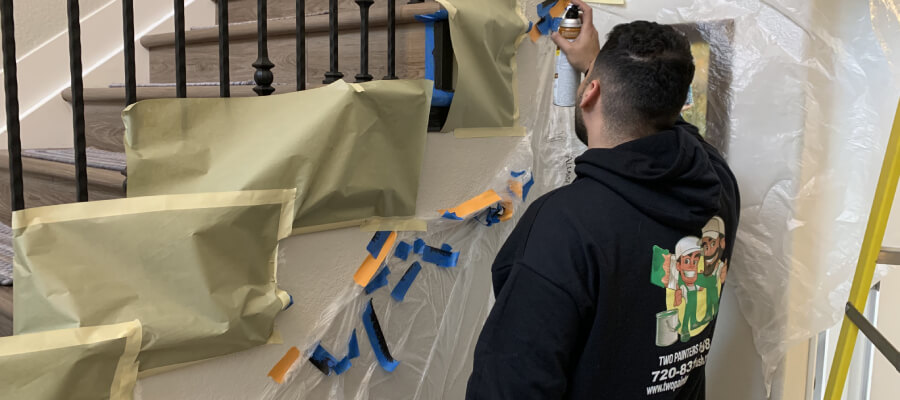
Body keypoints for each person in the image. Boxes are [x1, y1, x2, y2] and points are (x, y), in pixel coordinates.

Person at [465, 0, 741, 398]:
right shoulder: (716, 184)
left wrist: (596, 64)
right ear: (674, 103)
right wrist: (597, 64)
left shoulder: (562, 229)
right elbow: (670, 122)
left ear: (590, 90)